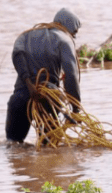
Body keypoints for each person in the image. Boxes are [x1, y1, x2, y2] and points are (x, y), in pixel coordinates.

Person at [5, 8, 83, 143]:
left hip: (20, 98)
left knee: (13, 144)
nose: (73, 36)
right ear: (69, 27)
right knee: (49, 144)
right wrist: (75, 109)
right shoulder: (65, 40)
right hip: (48, 98)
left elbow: (17, 55)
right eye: (74, 32)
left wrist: (29, 84)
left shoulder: (26, 35)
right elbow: (71, 75)